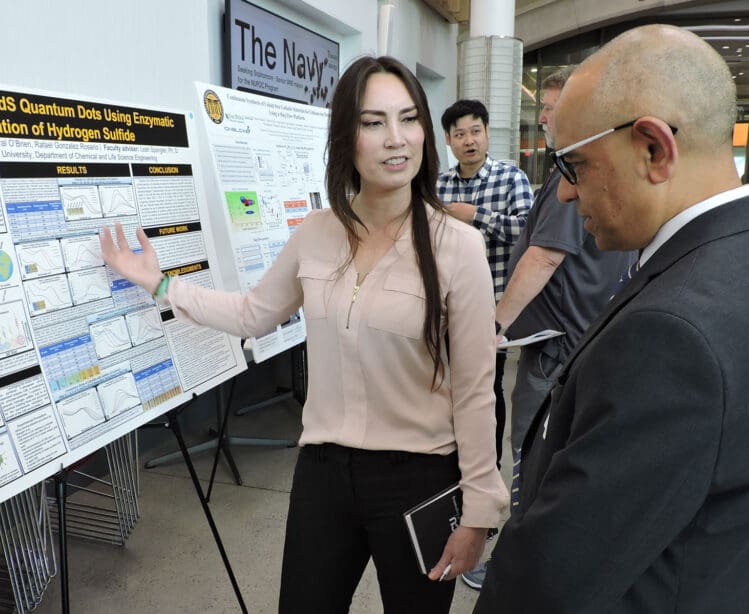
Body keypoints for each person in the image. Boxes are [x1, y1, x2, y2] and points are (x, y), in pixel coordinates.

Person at [100, 56, 507, 613]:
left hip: (420, 480)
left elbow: (476, 387)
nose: (396, 139)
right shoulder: (316, 233)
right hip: (325, 474)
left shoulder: (457, 247)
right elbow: (251, 314)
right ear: (346, 136)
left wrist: (480, 508)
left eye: (408, 119)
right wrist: (159, 284)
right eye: (372, 122)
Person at [474, 24, 749, 613]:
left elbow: (557, 577)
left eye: (574, 166)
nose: (562, 195)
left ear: (654, 149)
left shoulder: (672, 333)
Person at [460, 65, 635, 591]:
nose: (543, 116)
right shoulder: (595, 169)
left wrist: (492, 324)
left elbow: (542, 257)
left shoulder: (567, 174)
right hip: (582, 336)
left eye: (552, 106)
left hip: (555, 347)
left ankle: (518, 563)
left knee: (530, 458)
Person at [436, 99, 533, 468]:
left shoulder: (511, 178)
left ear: (488, 133)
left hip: (491, 306)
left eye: (475, 131)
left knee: (488, 390)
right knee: (449, 387)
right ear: (449, 140)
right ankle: (455, 462)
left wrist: (476, 216)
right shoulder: (438, 185)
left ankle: (486, 469)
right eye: (460, 134)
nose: (469, 141)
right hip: (445, 306)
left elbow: (527, 230)